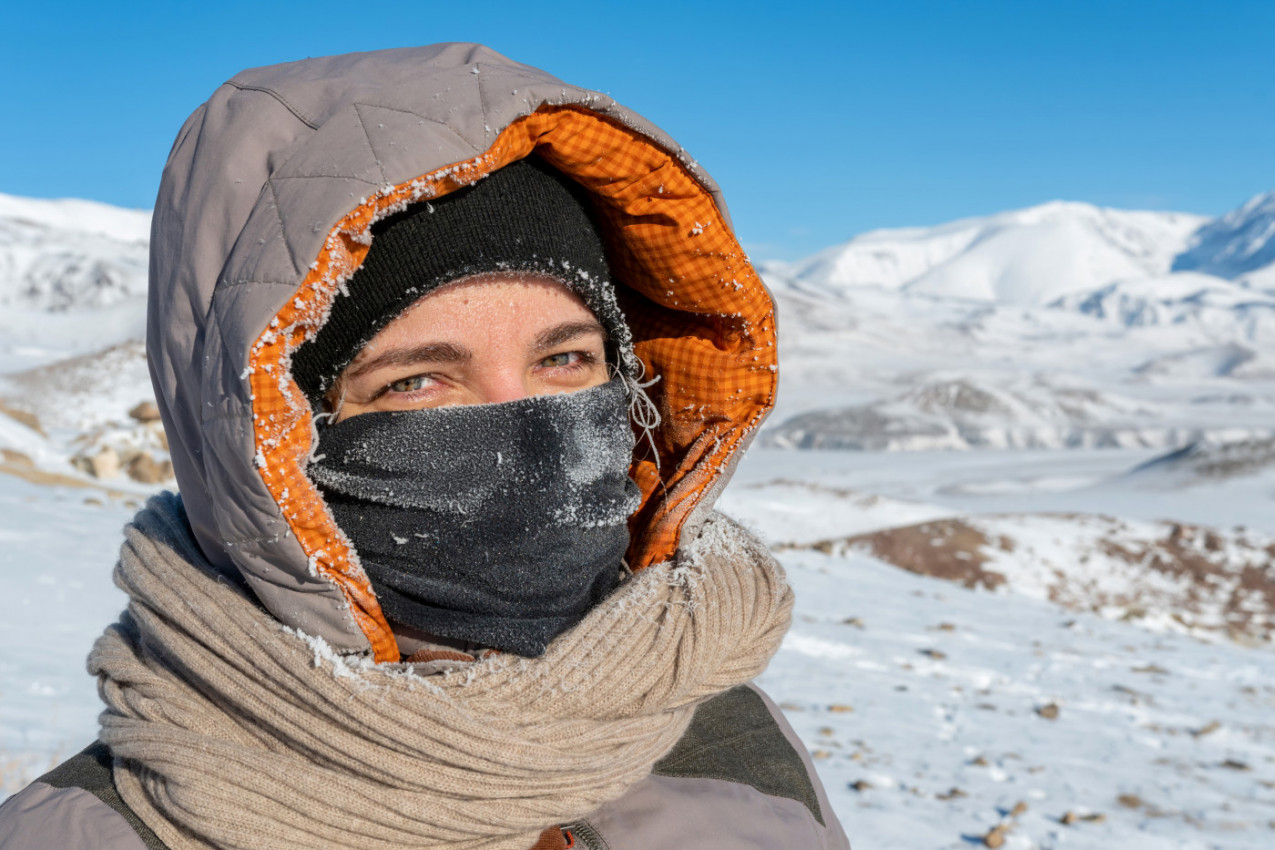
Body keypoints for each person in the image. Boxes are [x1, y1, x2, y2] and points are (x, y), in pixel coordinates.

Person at [0, 44, 851, 850]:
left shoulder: (726, 735)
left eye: (565, 360)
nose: (531, 437)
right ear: (270, 442)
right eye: (416, 382)